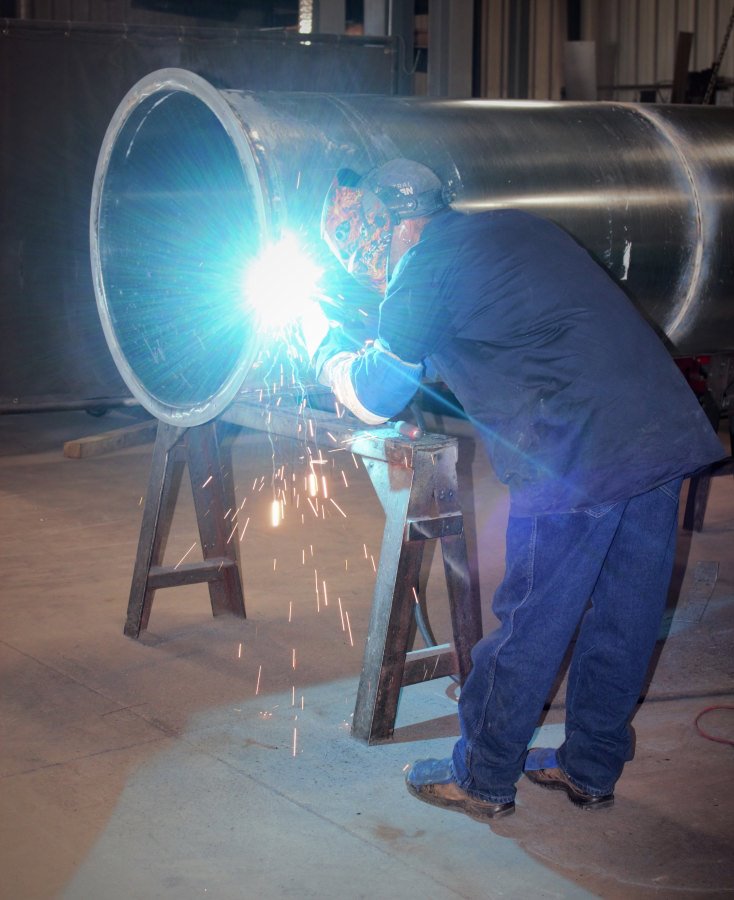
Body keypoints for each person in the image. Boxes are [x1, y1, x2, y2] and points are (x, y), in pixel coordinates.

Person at [307, 158, 725, 822]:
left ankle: (484, 775)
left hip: (576, 454)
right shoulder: (512, 228)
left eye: (357, 239)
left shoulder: (425, 266)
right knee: (624, 616)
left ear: (385, 223)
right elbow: (508, 336)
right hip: (657, 433)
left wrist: (326, 355)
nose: (362, 258)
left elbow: (373, 396)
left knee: (531, 619)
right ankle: (590, 768)